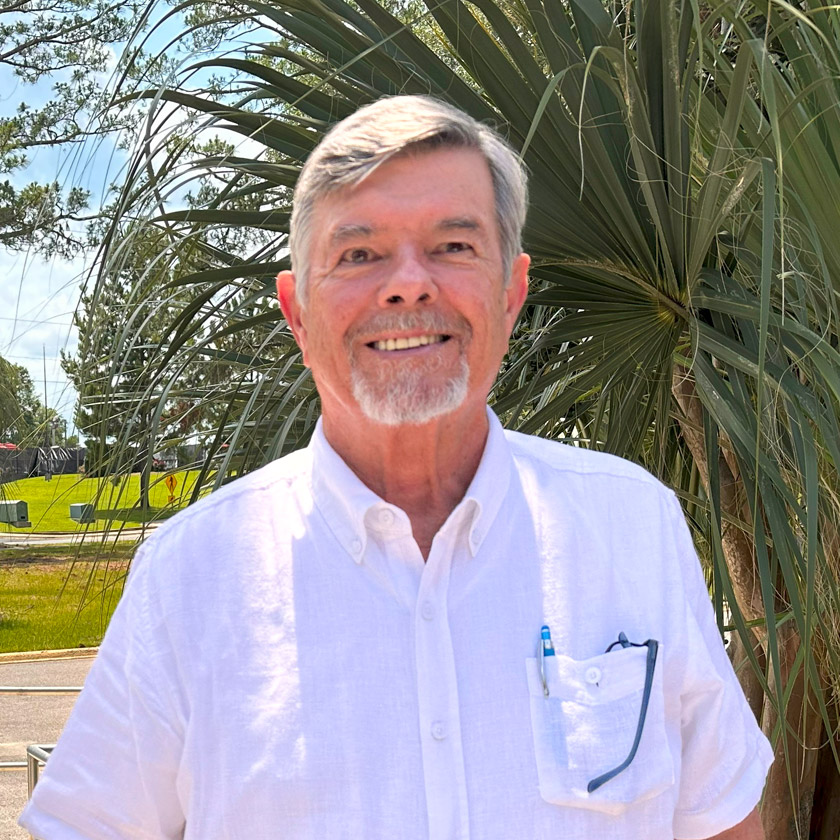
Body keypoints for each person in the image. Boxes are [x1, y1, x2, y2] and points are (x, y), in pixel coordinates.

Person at [20, 95, 773, 840]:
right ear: (297, 313)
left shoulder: (632, 527)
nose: (408, 283)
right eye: (359, 254)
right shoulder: (189, 578)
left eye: (453, 246)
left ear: (512, 293)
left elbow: (720, 821)